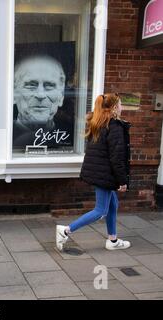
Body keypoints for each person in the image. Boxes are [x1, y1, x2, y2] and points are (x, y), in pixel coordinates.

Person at [56, 93, 132, 251]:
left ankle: (112, 240)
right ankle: (65, 231)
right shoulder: (114, 126)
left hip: (100, 171)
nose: (122, 107)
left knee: (113, 205)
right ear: (114, 108)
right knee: (100, 210)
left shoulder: (99, 123)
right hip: (105, 173)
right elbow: (117, 157)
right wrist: (123, 181)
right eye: (120, 104)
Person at [13, 55, 71, 149]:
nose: (40, 95)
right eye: (31, 85)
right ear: (14, 94)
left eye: (49, 86)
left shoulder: (71, 133)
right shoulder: (6, 135)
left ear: (61, 97)